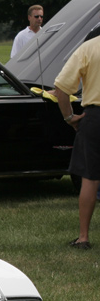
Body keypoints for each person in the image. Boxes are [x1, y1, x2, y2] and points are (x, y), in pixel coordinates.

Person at [55, 32, 100, 249]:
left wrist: (69, 117)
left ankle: (83, 238)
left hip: (95, 118)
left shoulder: (89, 48)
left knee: (90, 178)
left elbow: (61, 88)